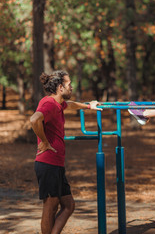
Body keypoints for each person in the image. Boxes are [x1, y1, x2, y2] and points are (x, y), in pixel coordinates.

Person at [30, 70, 101, 234]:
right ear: (60, 87)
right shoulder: (48, 104)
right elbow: (34, 119)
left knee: (68, 205)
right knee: (50, 206)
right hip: (47, 163)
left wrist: (89, 106)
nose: (72, 87)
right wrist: (45, 142)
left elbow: (71, 104)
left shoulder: (58, 104)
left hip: (56, 164)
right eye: (69, 84)